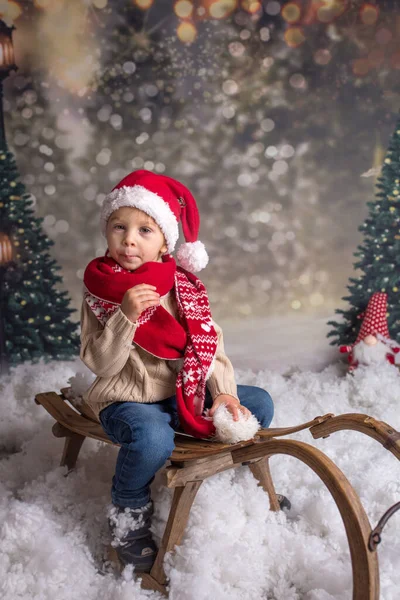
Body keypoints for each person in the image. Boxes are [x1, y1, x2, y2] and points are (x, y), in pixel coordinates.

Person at [79, 169, 277, 573]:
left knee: (259, 403)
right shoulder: (101, 291)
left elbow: (210, 343)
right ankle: (128, 511)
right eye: (119, 226)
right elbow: (100, 362)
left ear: (165, 242)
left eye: (144, 230)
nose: (129, 239)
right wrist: (126, 318)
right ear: (107, 233)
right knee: (152, 440)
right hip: (129, 400)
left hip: (180, 393)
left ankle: (214, 460)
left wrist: (223, 393)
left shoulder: (182, 286)